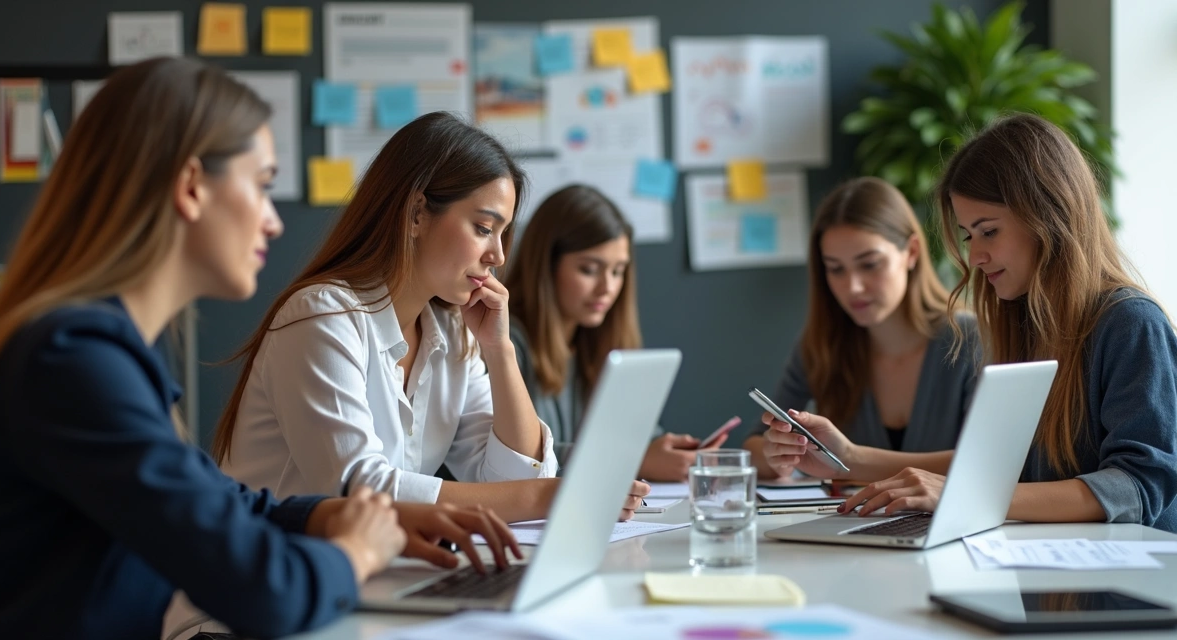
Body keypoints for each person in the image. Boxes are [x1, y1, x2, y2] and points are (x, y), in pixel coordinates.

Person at [0, 59, 517, 640]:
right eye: (263, 185)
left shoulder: (98, 348)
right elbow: (265, 590)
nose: (275, 222)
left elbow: (209, 498)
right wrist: (356, 549)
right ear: (192, 188)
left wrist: (329, 515)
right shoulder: (72, 360)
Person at [212, 113, 648, 525]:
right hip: (261, 589)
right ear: (417, 214)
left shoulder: (452, 331)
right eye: (483, 227)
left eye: (502, 233)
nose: (497, 255)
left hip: (369, 575)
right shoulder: (324, 316)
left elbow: (518, 481)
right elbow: (358, 491)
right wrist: (550, 496)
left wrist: (500, 352)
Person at [761, 114, 1177, 532]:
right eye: (968, 236)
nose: (974, 257)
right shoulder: (1026, 322)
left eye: (989, 232)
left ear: (1048, 215)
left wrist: (962, 493)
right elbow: (1003, 466)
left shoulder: (1130, 322)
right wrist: (848, 458)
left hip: (1129, 573)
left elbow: (1136, 486)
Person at [743, 177, 979, 479]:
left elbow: (988, 465)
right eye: (836, 268)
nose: (853, 287)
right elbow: (754, 443)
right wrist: (776, 453)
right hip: (857, 523)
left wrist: (850, 459)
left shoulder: (971, 339)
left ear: (912, 252)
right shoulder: (822, 344)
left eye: (869, 264)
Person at [504, 184, 734, 481]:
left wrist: (662, 450)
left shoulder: (599, 343)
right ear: (546, 266)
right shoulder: (505, 343)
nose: (608, 288)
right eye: (589, 269)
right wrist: (631, 460)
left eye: (617, 271)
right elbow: (519, 460)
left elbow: (639, 436)